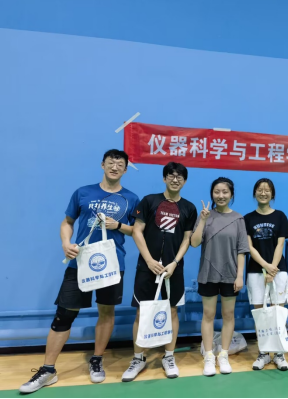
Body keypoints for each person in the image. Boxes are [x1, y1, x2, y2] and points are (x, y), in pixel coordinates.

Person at [19, 150, 140, 394]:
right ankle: (48, 370)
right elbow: (67, 222)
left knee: (106, 312)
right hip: (80, 262)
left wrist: (118, 225)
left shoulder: (131, 198)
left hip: (112, 264)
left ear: (126, 170)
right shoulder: (83, 192)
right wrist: (66, 243)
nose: (115, 167)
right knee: (64, 314)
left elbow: (137, 230)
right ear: (102, 165)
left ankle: (97, 359)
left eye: (120, 164)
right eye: (111, 163)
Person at [122, 162, 198, 382]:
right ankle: (138, 358)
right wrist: (149, 260)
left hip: (173, 270)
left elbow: (187, 239)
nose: (175, 179)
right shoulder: (149, 201)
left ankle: (169, 357)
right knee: (141, 312)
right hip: (147, 268)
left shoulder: (189, 208)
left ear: (184, 181)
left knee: (172, 312)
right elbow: (137, 231)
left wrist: (174, 262)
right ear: (164, 178)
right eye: (171, 175)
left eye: (179, 177)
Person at [191, 177, 249, 377]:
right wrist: (203, 220)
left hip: (230, 275)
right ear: (212, 194)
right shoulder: (205, 216)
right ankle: (209, 356)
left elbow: (242, 250)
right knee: (208, 315)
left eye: (225, 192)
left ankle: (223, 355)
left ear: (231, 194)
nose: (221, 195)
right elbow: (194, 243)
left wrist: (239, 276)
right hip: (208, 273)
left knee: (228, 315)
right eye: (217, 192)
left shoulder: (238, 219)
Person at [245, 179, 288, 372]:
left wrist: (273, 269)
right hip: (256, 271)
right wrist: (265, 266)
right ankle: (263, 353)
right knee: (261, 315)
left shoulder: (280, 216)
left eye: (267, 190)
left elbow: (280, 244)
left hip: (278, 271)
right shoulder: (248, 219)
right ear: (254, 193)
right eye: (260, 190)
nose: (263, 193)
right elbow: (249, 247)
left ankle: (279, 354)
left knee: (278, 313)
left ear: (272, 194)